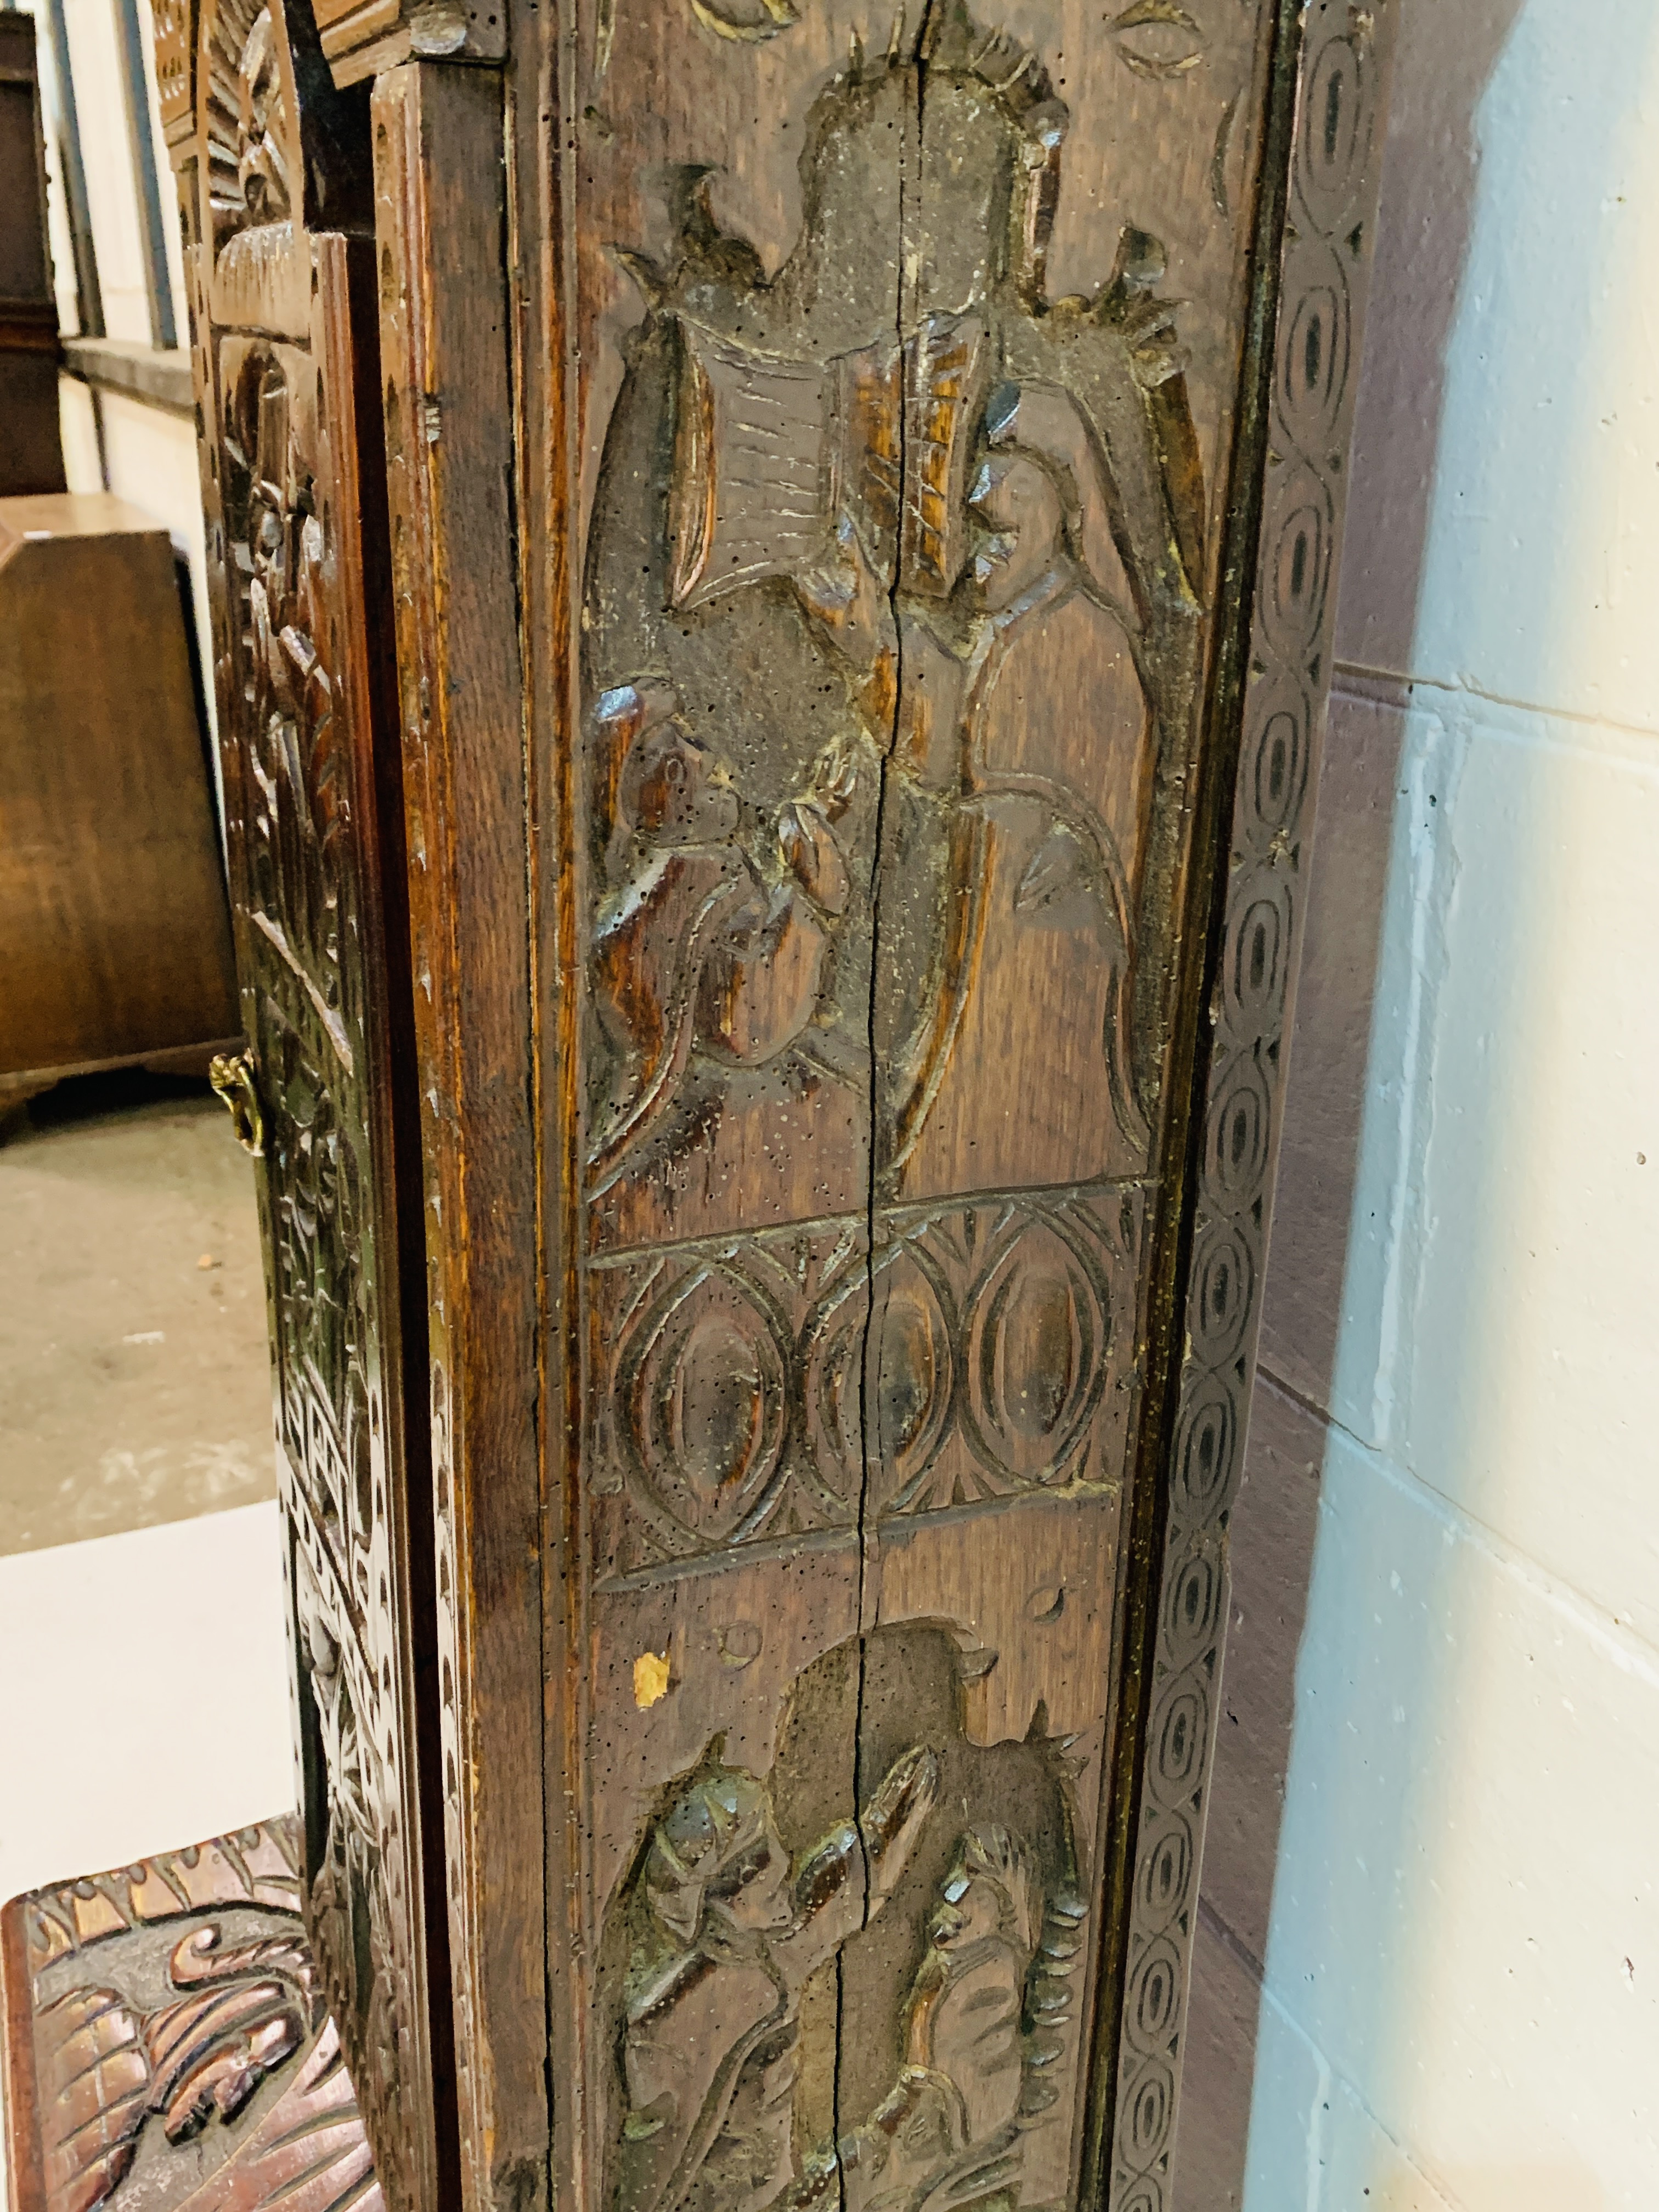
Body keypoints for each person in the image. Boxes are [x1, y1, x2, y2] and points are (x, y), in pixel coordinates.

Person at [613, 1741, 939, 2212]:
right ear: (722, 1903)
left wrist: (890, 1825)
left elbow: (834, 1902)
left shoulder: (763, 1952)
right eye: (768, 1889)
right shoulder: (673, 2021)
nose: (786, 1892)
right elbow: (655, 2172)